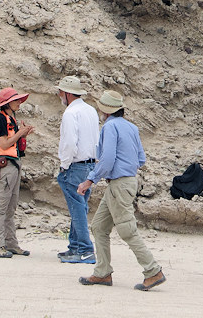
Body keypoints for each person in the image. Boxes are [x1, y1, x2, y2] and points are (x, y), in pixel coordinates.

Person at [77, 90, 166, 291]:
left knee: (127, 230)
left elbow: (107, 159)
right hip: (126, 182)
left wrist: (89, 180)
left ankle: (152, 271)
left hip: (118, 183)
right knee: (99, 226)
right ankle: (102, 272)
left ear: (105, 111)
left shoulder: (109, 127)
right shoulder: (131, 127)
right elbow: (141, 158)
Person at [55, 75, 100, 264]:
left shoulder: (70, 113)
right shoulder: (90, 110)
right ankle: (74, 246)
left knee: (77, 208)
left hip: (76, 165)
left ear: (66, 93)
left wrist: (64, 165)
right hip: (90, 164)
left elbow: (70, 143)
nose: (59, 96)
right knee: (80, 205)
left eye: (60, 93)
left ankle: (85, 249)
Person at [0, 87, 35, 258]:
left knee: (10, 206)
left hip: (13, 164)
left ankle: (11, 244)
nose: (19, 103)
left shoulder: (9, 118)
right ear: (8, 103)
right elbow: (4, 144)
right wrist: (20, 133)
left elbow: (12, 144)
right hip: (7, 166)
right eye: (16, 100)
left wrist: (22, 135)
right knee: (1, 207)